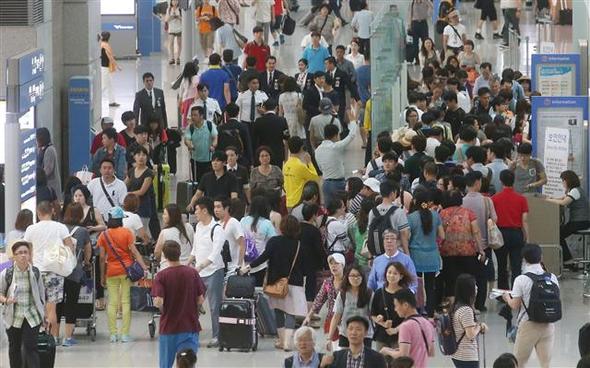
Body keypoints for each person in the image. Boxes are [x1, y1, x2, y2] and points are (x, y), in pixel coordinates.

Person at [242, 215, 306, 351]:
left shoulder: (274, 242)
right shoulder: (300, 244)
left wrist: (248, 267)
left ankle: (282, 341)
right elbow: (304, 266)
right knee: (291, 313)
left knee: (278, 312)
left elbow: (263, 257)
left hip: (275, 283)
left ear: (282, 227)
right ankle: (288, 343)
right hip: (294, 283)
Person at [502, 244, 559, 368]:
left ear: (524, 260)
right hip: (548, 324)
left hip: (528, 325)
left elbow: (515, 305)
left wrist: (507, 298)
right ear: (541, 257)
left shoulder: (521, 279)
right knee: (545, 364)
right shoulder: (552, 277)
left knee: (518, 363)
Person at [23, 201, 75, 338]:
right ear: (52, 211)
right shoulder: (60, 227)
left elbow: (26, 250)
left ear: (38, 213)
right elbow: (70, 247)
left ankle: (39, 337)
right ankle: (53, 339)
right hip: (54, 271)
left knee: (38, 306)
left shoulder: (31, 229)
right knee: (52, 308)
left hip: (36, 271)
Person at [98, 206, 148, 343]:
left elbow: (102, 258)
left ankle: (113, 334)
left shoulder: (104, 235)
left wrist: (102, 276)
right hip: (126, 271)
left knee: (112, 303)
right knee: (125, 301)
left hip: (111, 271)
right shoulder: (127, 233)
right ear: (120, 219)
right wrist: (144, 267)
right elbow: (135, 252)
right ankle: (125, 334)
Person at [153, 240, 206, 368]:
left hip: (169, 328)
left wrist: (161, 307)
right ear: (179, 253)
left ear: (165, 256)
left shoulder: (161, 276)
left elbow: (159, 301)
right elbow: (200, 299)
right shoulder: (192, 273)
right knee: (187, 363)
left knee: (165, 364)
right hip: (189, 326)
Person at [187, 197, 226, 348]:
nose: (195, 213)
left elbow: (215, 253)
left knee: (215, 305)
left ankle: (217, 336)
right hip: (199, 273)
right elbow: (196, 248)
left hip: (214, 271)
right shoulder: (198, 227)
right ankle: (192, 334)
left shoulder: (217, 229)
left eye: (196, 210)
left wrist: (201, 266)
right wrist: (189, 262)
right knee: (192, 304)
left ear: (204, 210)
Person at [0, 241, 45, 368]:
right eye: (19, 253)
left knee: (31, 347)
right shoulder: (7, 273)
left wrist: (44, 315)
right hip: (13, 317)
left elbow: (41, 295)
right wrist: (6, 300)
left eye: (26, 252)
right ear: (14, 256)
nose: (23, 255)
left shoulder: (36, 272)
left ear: (30, 255)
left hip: (32, 315)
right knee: (14, 347)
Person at [439, 190, 485, 300]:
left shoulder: (441, 214)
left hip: (447, 252)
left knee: (450, 281)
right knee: (469, 280)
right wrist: (481, 249)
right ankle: (469, 305)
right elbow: (476, 231)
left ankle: (452, 307)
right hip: (468, 252)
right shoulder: (469, 213)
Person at [57, 204, 92, 347]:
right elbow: (88, 251)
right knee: (72, 303)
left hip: (58, 270)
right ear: (80, 215)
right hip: (74, 272)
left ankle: (54, 336)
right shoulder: (83, 231)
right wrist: (86, 263)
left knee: (58, 303)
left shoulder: (60, 228)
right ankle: (68, 338)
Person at [407, 190, 444, 317]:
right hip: (432, 255)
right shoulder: (435, 215)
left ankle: (416, 311)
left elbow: (407, 237)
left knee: (415, 285)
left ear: (415, 201)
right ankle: (430, 313)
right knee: (430, 286)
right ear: (428, 202)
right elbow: (442, 235)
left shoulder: (411, 217)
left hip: (415, 256)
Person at [492, 170, 529, 290]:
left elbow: (492, 219)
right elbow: (524, 221)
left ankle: (503, 292)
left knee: (502, 265)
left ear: (501, 181)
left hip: (501, 233)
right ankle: (516, 291)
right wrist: (526, 235)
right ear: (514, 181)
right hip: (516, 233)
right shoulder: (521, 199)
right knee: (516, 265)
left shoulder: (495, 199)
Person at [381, 289, 436, 367]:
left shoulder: (406, 326)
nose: (395, 309)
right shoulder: (428, 323)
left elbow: (403, 355)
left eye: (396, 305)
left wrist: (387, 351)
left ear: (405, 305)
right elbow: (431, 352)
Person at [547, 170, 590, 266]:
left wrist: (549, 201)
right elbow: (562, 199)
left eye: (563, 180)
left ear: (568, 181)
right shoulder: (575, 190)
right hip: (581, 221)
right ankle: (568, 260)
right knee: (558, 233)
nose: (562, 183)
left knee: (557, 235)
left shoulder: (575, 190)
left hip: (580, 222)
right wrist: (549, 199)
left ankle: (568, 260)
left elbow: (563, 202)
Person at [328, 265, 374, 349]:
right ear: (347, 277)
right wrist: (329, 337)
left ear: (363, 277)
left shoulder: (369, 293)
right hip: (346, 333)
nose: (355, 278)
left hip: (365, 334)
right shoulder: (343, 293)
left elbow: (373, 314)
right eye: (352, 275)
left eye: (358, 276)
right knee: (345, 359)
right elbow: (336, 316)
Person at [303, 253, 344, 345]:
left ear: (342, 265)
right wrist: (309, 316)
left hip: (346, 319)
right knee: (335, 348)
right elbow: (319, 299)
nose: (334, 266)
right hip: (332, 319)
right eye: (331, 264)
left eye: (336, 263)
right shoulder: (328, 282)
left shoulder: (348, 281)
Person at [371, 262, 414, 351]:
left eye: (395, 273)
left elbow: (411, 317)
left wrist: (396, 329)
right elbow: (373, 314)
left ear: (401, 276)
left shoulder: (407, 293)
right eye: (389, 272)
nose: (391, 275)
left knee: (399, 363)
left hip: (401, 336)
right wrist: (381, 322)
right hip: (382, 335)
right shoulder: (379, 292)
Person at [316, 118, 358, 204]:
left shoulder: (317, 150)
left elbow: (320, 167)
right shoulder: (336, 147)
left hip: (326, 184)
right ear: (335, 135)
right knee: (341, 208)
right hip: (338, 184)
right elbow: (352, 135)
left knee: (329, 210)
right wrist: (353, 121)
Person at [450, 274, 488, 368]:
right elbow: (470, 334)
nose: (476, 287)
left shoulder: (456, 306)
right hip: (467, 355)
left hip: (458, 353)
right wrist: (479, 327)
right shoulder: (466, 310)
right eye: (474, 285)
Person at [321, 316, 387, 368]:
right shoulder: (336, 357)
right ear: (346, 332)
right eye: (350, 328)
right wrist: (322, 366)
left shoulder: (377, 358)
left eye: (358, 329)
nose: (353, 332)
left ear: (366, 333)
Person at [367, 181, 411, 255]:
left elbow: (369, 234)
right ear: (393, 193)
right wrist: (407, 254)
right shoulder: (398, 211)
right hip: (396, 253)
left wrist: (370, 256)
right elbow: (404, 234)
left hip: (379, 253)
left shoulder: (373, 211)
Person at [125, 146, 156, 233]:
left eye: (144, 155)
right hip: (130, 207)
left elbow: (142, 191)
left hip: (143, 208)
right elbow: (124, 184)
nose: (141, 157)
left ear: (147, 157)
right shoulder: (131, 171)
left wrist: (127, 194)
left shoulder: (149, 173)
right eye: (138, 154)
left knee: (141, 234)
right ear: (134, 157)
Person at [283, 136, 320, 209]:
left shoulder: (286, 164)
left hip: (289, 202)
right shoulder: (300, 166)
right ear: (301, 148)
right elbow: (315, 178)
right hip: (299, 203)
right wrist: (309, 163)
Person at [184, 106, 218, 182]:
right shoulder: (190, 127)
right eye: (191, 115)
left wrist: (213, 145)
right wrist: (190, 145)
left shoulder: (210, 125)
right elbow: (187, 139)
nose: (192, 117)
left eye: (195, 115)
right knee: (197, 181)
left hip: (209, 160)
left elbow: (215, 137)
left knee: (209, 181)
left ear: (201, 116)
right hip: (195, 160)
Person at [154, 204, 194, 269]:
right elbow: (193, 246)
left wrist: (159, 260)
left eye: (164, 214)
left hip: (168, 267)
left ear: (171, 216)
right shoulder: (189, 227)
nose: (162, 216)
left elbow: (157, 252)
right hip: (187, 266)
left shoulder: (165, 232)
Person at [252, 98, 290, 166]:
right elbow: (286, 138)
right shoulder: (282, 121)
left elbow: (254, 140)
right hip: (278, 154)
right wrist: (286, 156)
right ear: (276, 108)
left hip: (263, 154)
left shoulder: (258, 121)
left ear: (264, 108)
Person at [214, 197, 245, 269]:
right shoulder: (216, 224)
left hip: (234, 267)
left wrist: (239, 265)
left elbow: (242, 244)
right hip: (221, 267)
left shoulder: (233, 222)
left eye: (218, 207)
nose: (216, 210)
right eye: (214, 207)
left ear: (226, 208)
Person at [36, 127, 62, 201]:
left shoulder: (49, 150)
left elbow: (48, 170)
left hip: (51, 185)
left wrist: (37, 176)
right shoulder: (41, 150)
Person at [406, 0, 433, 64]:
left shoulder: (425, 1)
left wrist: (428, 14)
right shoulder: (412, 3)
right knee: (415, 44)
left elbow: (431, 7)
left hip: (423, 23)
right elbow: (409, 14)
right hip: (414, 24)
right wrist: (409, 25)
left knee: (425, 41)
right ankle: (417, 59)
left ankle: (427, 57)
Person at [99, 31, 121, 106]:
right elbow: (110, 57)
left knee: (110, 85)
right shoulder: (105, 45)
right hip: (105, 68)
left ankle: (112, 101)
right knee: (104, 85)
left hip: (105, 68)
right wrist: (117, 66)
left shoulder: (102, 44)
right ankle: (94, 100)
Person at [178, 62, 200, 129]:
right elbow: (198, 91)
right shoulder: (196, 78)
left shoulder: (184, 80)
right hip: (193, 100)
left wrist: (179, 105)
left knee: (186, 120)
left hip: (185, 102)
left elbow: (181, 94)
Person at [165, 0, 183, 65]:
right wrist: (171, 17)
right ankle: (172, 58)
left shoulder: (180, 9)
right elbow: (166, 20)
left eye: (176, 1)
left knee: (179, 43)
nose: (175, 2)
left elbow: (184, 19)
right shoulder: (169, 9)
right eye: (173, 1)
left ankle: (178, 58)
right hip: (171, 29)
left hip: (179, 28)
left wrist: (178, 17)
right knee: (171, 43)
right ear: (171, 2)